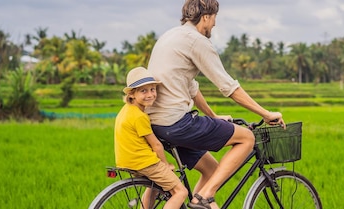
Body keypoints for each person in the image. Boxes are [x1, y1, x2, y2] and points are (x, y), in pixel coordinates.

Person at [145, 0, 284, 208]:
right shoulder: (196, 41)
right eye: (215, 18)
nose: (215, 25)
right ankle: (206, 195)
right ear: (206, 16)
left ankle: (198, 201)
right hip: (177, 123)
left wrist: (212, 116)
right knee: (246, 137)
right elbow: (229, 87)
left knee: (210, 170)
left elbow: (191, 87)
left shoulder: (171, 35)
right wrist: (266, 113)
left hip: (155, 125)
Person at [114, 67, 188, 209]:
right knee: (180, 192)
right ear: (132, 94)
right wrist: (166, 166)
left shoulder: (125, 111)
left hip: (126, 161)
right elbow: (157, 145)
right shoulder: (140, 116)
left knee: (155, 187)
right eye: (144, 91)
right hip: (144, 162)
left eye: (153, 89)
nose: (150, 94)